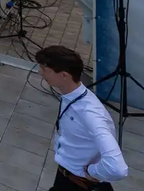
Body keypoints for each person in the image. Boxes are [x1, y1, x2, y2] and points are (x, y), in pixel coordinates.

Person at [36, 46, 128, 190]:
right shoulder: (71, 95)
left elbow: (117, 168)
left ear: (64, 76)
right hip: (65, 175)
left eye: (44, 69)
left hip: (80, 184)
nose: (39, 72)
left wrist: (91, 172)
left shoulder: (90, 115)